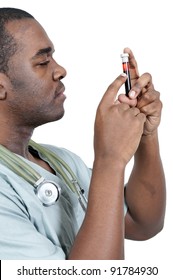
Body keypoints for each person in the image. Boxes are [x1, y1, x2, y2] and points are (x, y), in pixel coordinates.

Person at [0, 7, 166, 260]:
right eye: (43, 62)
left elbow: (141, 223)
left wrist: (146, 133)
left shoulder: (62, 162)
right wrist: (110, 160)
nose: (61, 70)